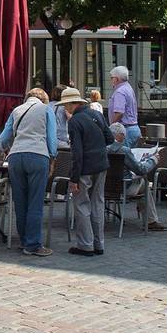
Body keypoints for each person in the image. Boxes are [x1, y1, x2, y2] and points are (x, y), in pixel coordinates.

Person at [0, 88, 58, 256]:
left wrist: (6, 149)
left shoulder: (16, 110)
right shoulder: (46, 110)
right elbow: (52, 139)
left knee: (20, 201)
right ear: (44, 99)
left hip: (16, 156)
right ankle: (33, 244)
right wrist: (53, 157)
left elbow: (3, 138)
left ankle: (24, 240)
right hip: (38, 155)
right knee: (35, 202)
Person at [65, 88, 108, 256]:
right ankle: (99, 244)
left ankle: (85, 245)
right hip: (101, 165)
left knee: (82, 205)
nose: (65, 108)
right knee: (98, 204)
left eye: (65, 105)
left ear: (71, 104)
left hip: (85, 168)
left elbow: (77, 153)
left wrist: (74, 178)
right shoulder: (96, 115)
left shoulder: (74, 121)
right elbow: (110, 138)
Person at [105, 122, 165, 231]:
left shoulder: (102, 148)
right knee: (144, 182)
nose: (124, 138)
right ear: (120, 135)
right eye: (124, 135)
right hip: (124, 188)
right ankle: (151, 221)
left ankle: (145, 211)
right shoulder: (124, 150)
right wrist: (153, 160)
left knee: (140, 183)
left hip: (104, 188)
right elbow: (141, 170)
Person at [106, 66, 141, 147]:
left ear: (116, 79)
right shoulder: (128, 88)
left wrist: (111, 128)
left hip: (124, 131)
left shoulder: (120, 91)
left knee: (122, 154)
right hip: (133, 128)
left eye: (111, 78)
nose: (111, 80)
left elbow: (119, 113)